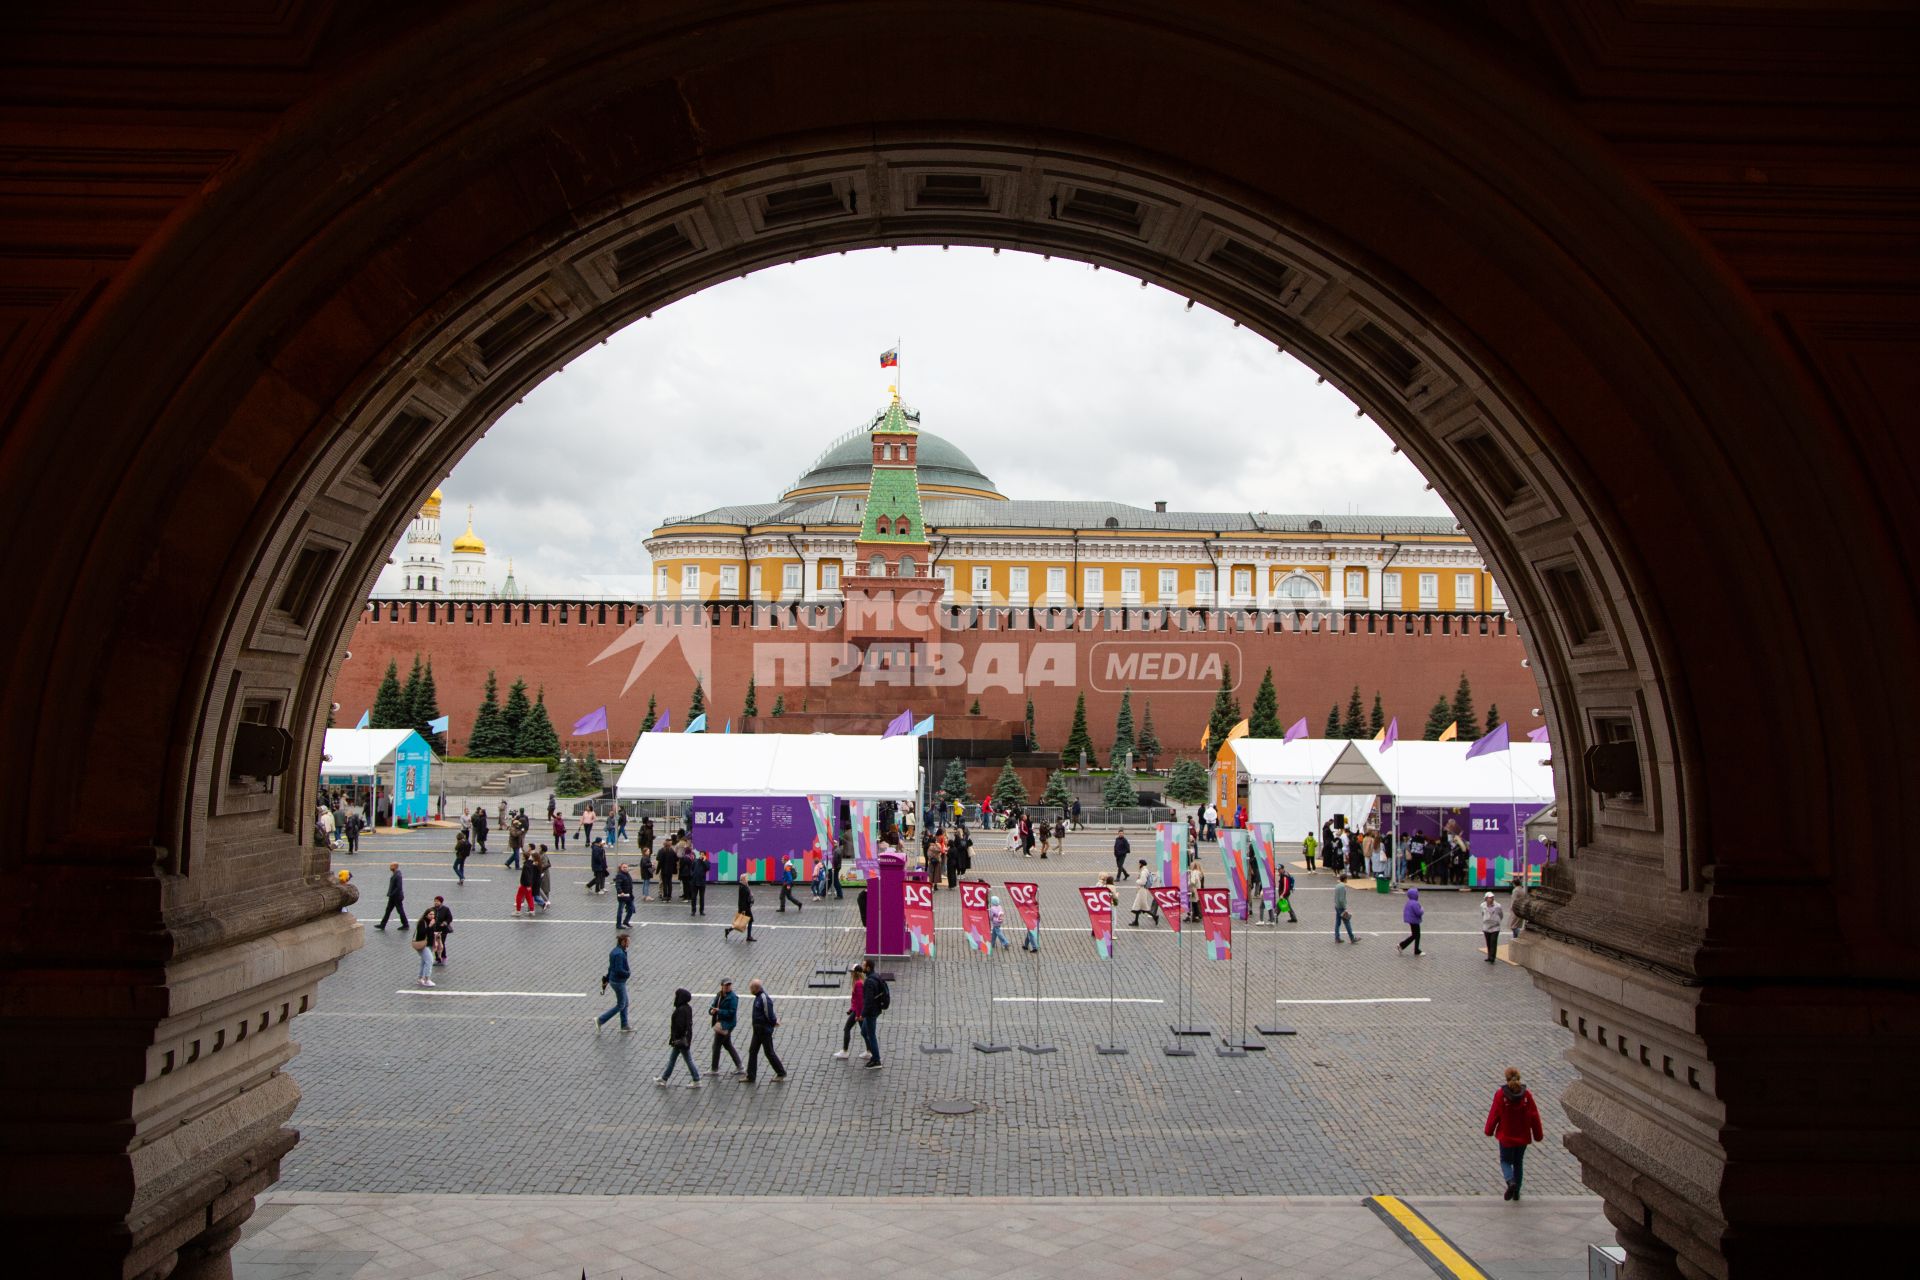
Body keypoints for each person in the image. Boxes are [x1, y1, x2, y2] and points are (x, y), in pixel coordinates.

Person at [1485, 1067, 1544, 1200]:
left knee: (1505, 1161)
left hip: (1506, 1137)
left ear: (1506, 1079)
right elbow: (1534, 1116)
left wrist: (1489, 1130)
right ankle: (1516, 1192)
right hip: (1522, 1137)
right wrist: (1538, 1135)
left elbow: (1494, 1114)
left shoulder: (1501, 1095)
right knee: (1518, 1162)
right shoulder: (1526, 1096)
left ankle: (1510, 1181)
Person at [743, 979, 788, 1083]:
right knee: (753, 1051)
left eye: (751, 988)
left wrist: (773, 1023)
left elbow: (769, 1014)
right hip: (758, 1030)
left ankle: (781, 1072)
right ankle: (751, 1076)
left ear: (756, 988)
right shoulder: (759, 997)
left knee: (769, 1052)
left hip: (764, 1031)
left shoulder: (763, 998)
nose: (750, 990)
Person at [656, 988, 701, 1087]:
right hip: (684, 1039)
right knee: (672, 1059)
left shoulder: (680, 1010)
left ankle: (696, 1079)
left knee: (687, 1060)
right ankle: (664, 1078)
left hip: (680, 1040)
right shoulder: (688, 1008)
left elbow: (680, 1026)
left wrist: (675, 1038)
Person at [595, 933, 632, 1030]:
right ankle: (600, 1020)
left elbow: (610, 967)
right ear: (623, 942)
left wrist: (607, 978)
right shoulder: (620, 954)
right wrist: (627, 973)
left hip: (614, 980)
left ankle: (624, 1025)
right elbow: (618, 970)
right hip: (618, 982)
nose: (629, 943)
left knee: (625, 1002)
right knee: (621, 1004)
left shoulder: (615, 951)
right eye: (628, 941)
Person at [709, 978, 744, 1076]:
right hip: (721, 1023)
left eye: (729, 985)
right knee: (727, 1044)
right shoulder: (719, 995)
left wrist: (719, 1011)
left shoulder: (733, 998)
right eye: (726, 985)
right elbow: (713, 1006)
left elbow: (731, 1013)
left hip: (726, 1025)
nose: (728, 987)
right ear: (722, 986)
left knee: (716, 1046)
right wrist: (711, 1011)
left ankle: (714, 1069)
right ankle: (740, 1066)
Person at [832, 961, 867, 1059]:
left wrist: (858, 1015)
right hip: (857, 1011)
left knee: (847, 1028)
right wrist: (851, 1009)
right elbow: (856, 1000)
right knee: (864, 1032)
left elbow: (860, 1001)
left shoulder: (858, 984)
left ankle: (845, 1051)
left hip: (858, 1012)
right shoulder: (859, 982)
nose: (851, 973)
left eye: (852, 972)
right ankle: (869, 1051)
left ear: (855, 973)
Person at [858, 964, 888, 1070]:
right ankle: (873, 1055)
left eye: (864, 965)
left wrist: (862, 1014)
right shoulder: (876, 976)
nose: (862, 967)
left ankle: (876, 1059)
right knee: (864, 1032)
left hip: (871, 1012)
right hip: (876, 1009)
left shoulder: (869, 982)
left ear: (868, 968)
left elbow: (868, 1001)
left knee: (871, 1035)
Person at [725, 873, 756, 942]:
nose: (747, 879)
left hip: (745, 908)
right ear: (744, 879)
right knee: (748, 921)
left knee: (739, 923)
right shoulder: (743, 888)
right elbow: (743, 900)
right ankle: (749, 937)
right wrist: (743, 910)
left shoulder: (744, 886)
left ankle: (728, 930)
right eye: (746, 878)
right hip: (745, 908)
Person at [377, 862, 407, 930]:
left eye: (391, 866)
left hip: (396, 897)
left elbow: (398, 887)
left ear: (395, 866)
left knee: (400, 910)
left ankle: (405, 924)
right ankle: (382, 925)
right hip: (393, 897)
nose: (390, 867)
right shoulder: (395, 874)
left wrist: (391, 894)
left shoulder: (398, 875)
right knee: (388, 910)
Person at [1129, 859, 1159, 926]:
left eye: (1139, 864)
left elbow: (1143, 881)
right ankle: (1136, 921)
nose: (1138, 865)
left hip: (1142, 891)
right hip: (1142, 890)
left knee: (1142, 907)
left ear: (1141, 864)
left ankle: (1155, 916)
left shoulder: (1143, 872)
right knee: (1138, 907)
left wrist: (1137, 881)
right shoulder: (1145, 870)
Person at [426, 896, 453, 966]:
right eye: (435, 901)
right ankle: (438, 959)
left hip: (443, 930)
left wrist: (445, 923)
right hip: (434, 929)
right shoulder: (432, 909)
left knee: (441, 943)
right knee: (435, 944)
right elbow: (428, 917)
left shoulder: (446, 909)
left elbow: (450, 918)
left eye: (437, 901)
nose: (436, 902)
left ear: (441, 902)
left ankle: (443, 958)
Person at [1398, 885, 1424, 955]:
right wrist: (1422, 910)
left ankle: (1405, 946)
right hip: (1414, 921)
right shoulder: (1415, 903)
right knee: (1416, 935)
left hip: (1411, 920)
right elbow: (1418, 913)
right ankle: (1404, 945)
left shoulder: (1409, 902)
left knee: (1415, 935)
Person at [411, 911, 435, 986]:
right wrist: (430, 926)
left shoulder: (432, 921)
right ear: (426, 914)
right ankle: (427, 979)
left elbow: (431, 933)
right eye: (430, 914)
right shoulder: (422, 922)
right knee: (429, 961)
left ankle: (420, 979)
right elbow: (421, 933)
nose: (432, 916)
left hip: (429, 945)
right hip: (422, 945)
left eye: (433, 914)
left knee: (424, 962)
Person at [1480, 892, 1505, 963]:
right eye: (1490, 898)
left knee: (1493, 942)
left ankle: (1492, 957)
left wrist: (1497, 921)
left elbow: (1501, 915)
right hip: (1486, 927)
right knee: (1488, 942)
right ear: (1486, 899)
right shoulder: (1482, 905)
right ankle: (1489, 956)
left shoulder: (1498, 906)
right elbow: (1482, 913)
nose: (1491, 899)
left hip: (1495, 927)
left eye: (1492, 897)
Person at [1333, 874, 1358, 943]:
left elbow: (1336, 897)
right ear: (1345, 879)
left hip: (1337, 906)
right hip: (1341, 907)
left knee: (1337, 923)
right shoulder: (1342, 887)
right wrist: (1345, 908)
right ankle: (1352, 938)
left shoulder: (1337, 885)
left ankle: (1337, 938)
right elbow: (1341, 899)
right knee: (1347, 922)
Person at [614, 862, 636, 928]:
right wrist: (620, 892)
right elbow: (617, 885)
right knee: (620, 911)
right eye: (624, 867)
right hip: (623, 896)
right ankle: (618, 924)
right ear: (621, 868)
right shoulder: (620, 875)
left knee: (631, 909)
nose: (625, 868)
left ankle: (626, 921)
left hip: (629, 895)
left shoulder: (627, 874)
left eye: (626, 867)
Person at [656, 837, 677, 902]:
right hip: (670, 870)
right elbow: (676, 859)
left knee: (664, 883)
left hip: (663, 870)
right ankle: (669, 897)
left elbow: (659, 860)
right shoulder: (672, 851)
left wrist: (657, 870)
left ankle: (665, 897)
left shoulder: (661, 851)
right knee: (669, 883)